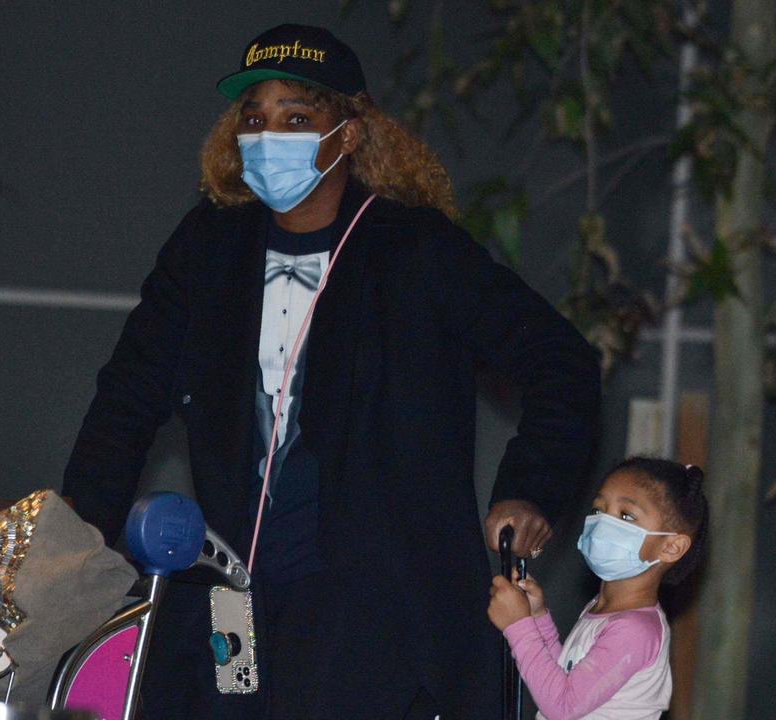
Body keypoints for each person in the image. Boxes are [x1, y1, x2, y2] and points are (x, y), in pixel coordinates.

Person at [63, 23, 600, 719]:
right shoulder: (210, 248)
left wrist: (530, 489)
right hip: (233, 595)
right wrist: (80, 522)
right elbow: (128, 394)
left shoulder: (414, 250)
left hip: (370, 603)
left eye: (296, 118)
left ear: (347, 133)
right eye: (253, 119)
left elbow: (562, 361)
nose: (267, 136)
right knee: (203, 695)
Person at [487, 458, 710, 720]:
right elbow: (567, 680)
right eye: (597, 510)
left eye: (626, 516)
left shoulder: (636, 630)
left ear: (671, 547)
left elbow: (562, 707)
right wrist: (537, 619)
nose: (603, 522)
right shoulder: (604, 610)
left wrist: (519, 625)